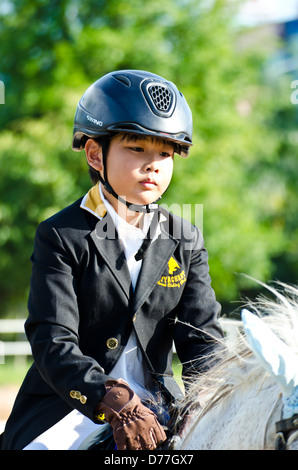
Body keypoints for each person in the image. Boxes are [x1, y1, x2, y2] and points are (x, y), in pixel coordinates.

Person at [0, 70, 224, 451]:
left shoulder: (185, 237)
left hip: (161, 409)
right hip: (72, 411)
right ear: (94, 154)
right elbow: (52, 339)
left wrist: (209, 399)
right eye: (136, 149)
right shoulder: (61, 234)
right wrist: (115, 402)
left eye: (165, 154)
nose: (153, 164)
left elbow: (202, 337)